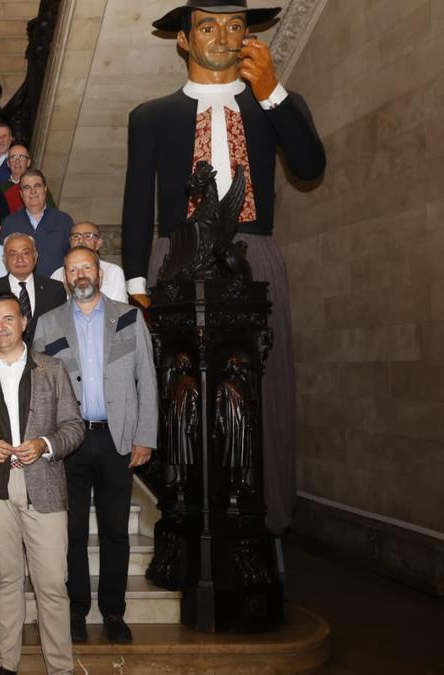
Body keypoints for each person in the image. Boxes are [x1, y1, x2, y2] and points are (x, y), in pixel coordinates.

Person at [123, 0, 325, 532]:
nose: (224, 36)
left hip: (253, 251)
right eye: (208, 26)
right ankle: (185, 514)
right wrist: (137, 281)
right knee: (180, 387)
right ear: (184, 40)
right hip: (179, 254)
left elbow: (310, 166)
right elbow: (137, 200)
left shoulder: (274, 102)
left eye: (236, 25)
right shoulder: (152, 116)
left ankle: (263, 518)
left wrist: (274, 94)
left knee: (263, 381)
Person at [0, 291, 86, 675]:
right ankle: (6, 664)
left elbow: (74, 428)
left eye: (8, 319)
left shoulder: (52, 368)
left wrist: (45, 444)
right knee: (7, 580)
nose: (1, 327)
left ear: (24, 322)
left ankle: (60, 667)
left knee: (52, 586)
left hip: (43, 486)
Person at [34, 246, 159, 645]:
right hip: (68, 442)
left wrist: (145, 435)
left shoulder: (129, 318)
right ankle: (75, 610)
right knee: (69, 532)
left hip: (117, 438)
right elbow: (38, 390)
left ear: (99, 274)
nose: (80, 276)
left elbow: (147, 379)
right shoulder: (48, 324)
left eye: (86, 268)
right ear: (65, 278)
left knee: (115, 532)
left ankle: (113, 611)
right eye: (73, 270)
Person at [0, 233, 67, 349]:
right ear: (4, 259)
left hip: (47, 360)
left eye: (26, 253)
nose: (19, 259)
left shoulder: (55, 289)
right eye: (13, 254)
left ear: (35, 257)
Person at [0, 169, 74, 278]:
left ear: (45, 189)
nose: (32, 192)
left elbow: (73, 257)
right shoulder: (9, 224)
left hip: (57, 288)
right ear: (21, 194)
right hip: (20, 289)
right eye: (27, 187)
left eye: (37, 186)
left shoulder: (64, 221)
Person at [49, 221, 128, 303]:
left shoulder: (113, 272)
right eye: (76, 236)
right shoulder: (57, 274)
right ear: (70, 242)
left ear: (98, 243)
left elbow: (119, 309)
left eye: (88, 236)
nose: (81, 241)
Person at [0, 143, 32, 213]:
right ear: (8, 163)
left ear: (28, 162)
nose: (17, 161)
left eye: (22, 157)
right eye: (13, 157)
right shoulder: (0, 189)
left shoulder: (37, 186)